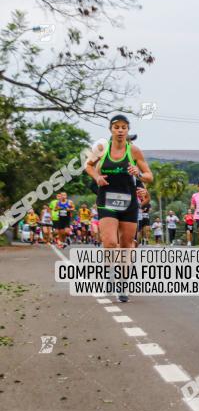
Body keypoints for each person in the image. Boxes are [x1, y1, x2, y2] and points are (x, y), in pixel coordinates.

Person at [84, 114, 153, 303]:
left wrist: (138, 173)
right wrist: (97, 177)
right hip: (107, 199)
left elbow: (149, 176)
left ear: (128, 130)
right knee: (110, 242)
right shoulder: (101, 148)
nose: (120, 130)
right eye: (117, 127)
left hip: (129, 202)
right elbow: (88, 166)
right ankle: (108, 271)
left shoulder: (135, 151)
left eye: (124, 127)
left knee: (126, 245)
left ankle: (122, 283)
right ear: (111, 130)